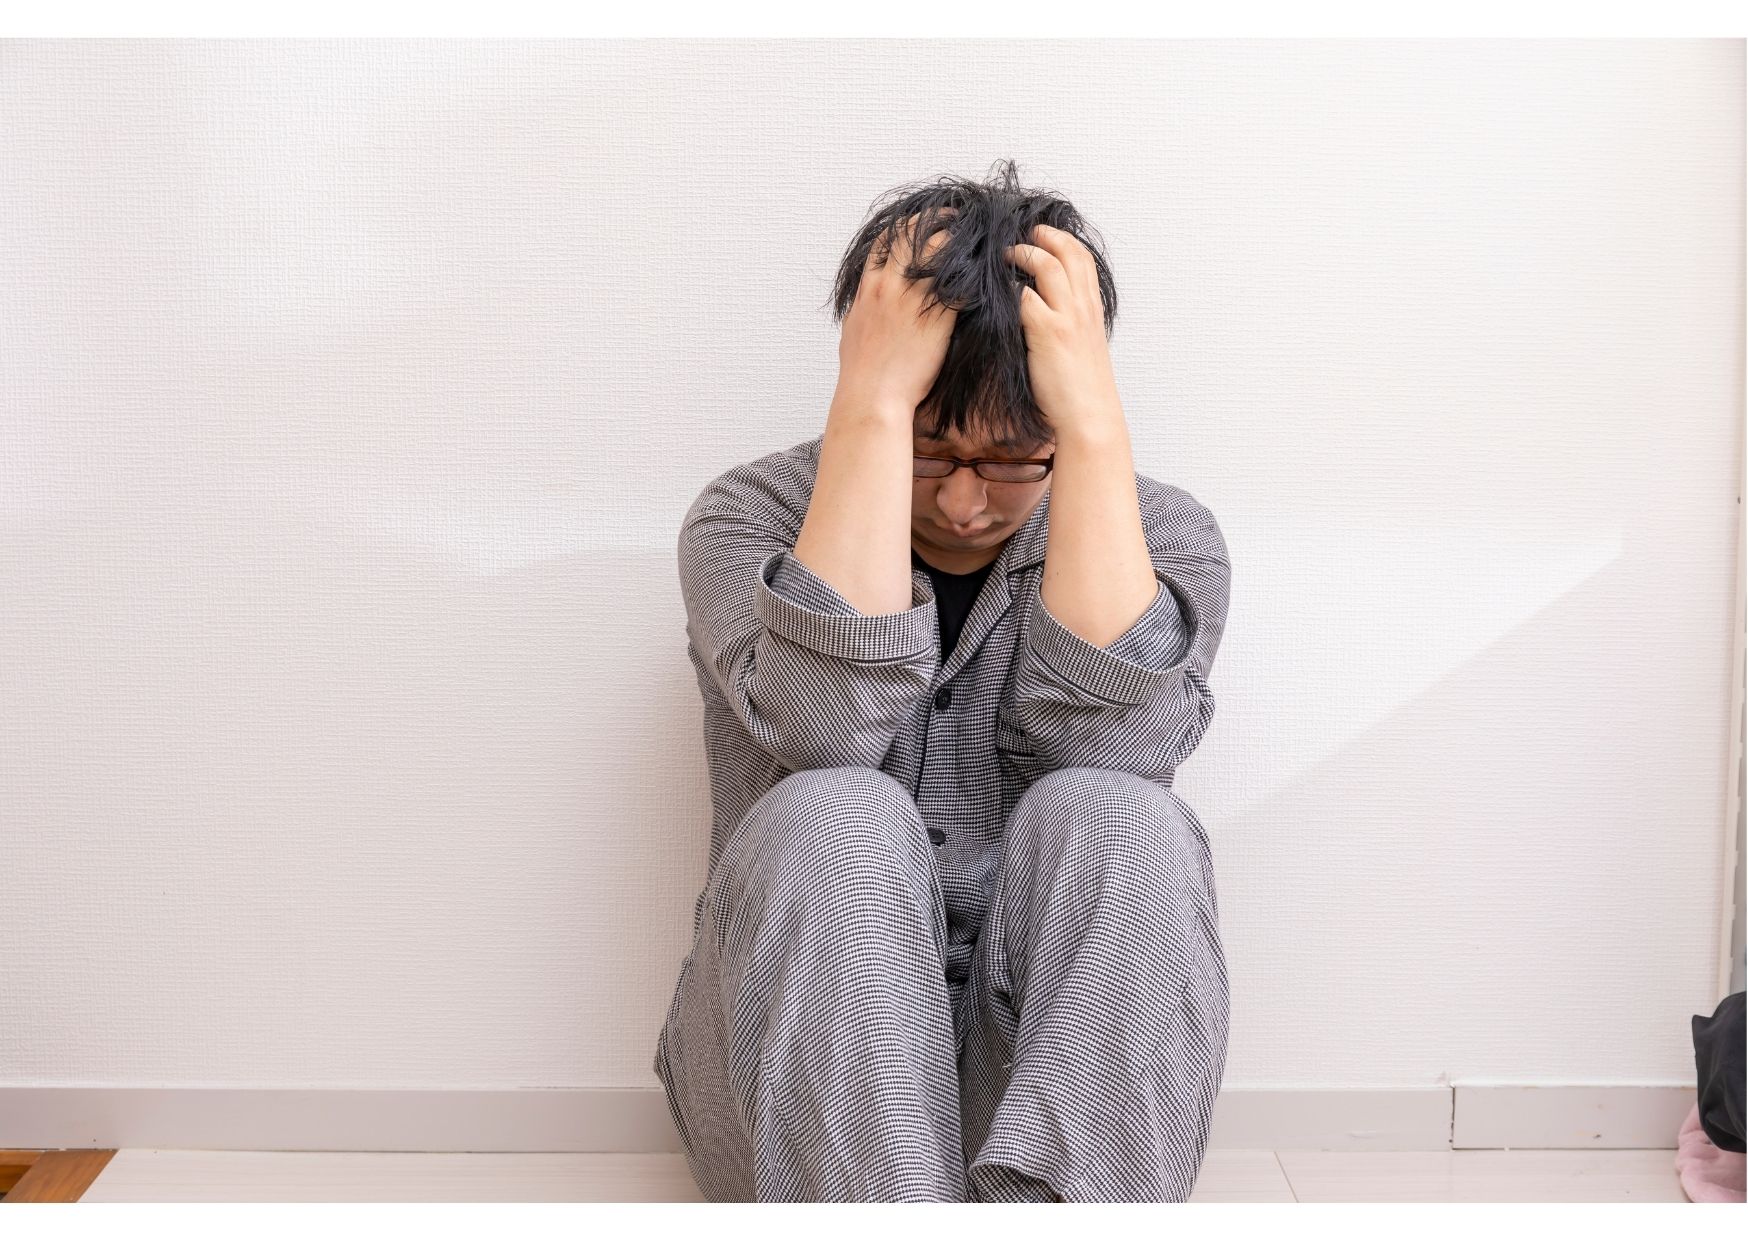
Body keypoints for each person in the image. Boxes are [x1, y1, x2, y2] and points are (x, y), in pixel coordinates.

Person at [651, 161, 1233, 1202]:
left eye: (1013, 458)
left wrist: (1093, 432)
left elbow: (1122, 756)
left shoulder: (1161, 534)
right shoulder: (744, 520)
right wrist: (870, 409)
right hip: (790, 1082)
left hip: (1048, 1088)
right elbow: (824, 733)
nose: (965, 502)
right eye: (930, 450)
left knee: (1125, 819)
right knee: (833, 809)